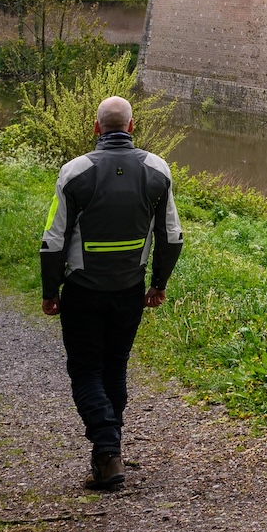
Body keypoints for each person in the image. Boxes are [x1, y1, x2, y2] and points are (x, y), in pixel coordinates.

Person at [38, 94, 183, 490]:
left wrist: (51, 291)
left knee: (86, 369)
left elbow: (53, 241)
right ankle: (109, 453)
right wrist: (158, 284)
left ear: (97, 128)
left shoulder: (74, 172)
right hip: (129, 290)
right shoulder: (158, 170)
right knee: (115, 365)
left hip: (83, 291)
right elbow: (172, 237)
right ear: (132, 127)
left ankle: (107, 448)